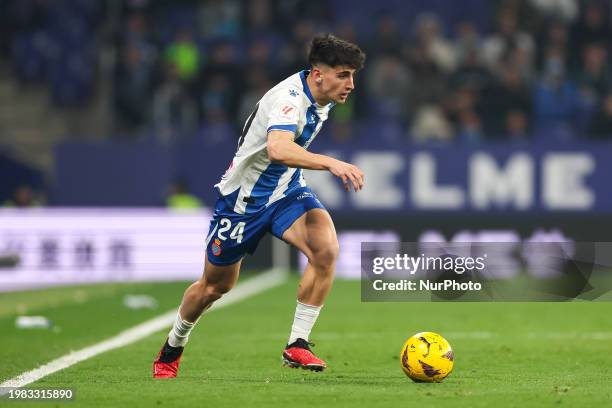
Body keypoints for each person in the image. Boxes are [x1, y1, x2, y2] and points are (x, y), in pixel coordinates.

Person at [153, 34, 366, 377]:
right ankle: (171, 348)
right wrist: (331, 163)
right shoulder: (289, 100)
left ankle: (297, 344)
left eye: (353, 76)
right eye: (343, 75)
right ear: (317, 74)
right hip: (243, 202)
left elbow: (284, 160)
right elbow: (278, 149)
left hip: (285, 190)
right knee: (214, 287)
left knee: (326, 250)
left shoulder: (323, 98)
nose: (350, 84)